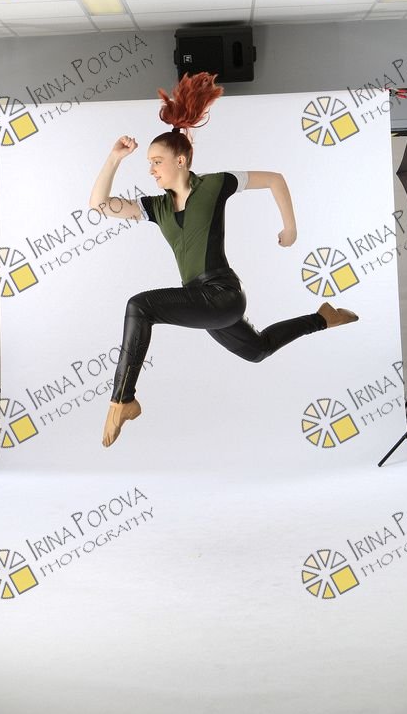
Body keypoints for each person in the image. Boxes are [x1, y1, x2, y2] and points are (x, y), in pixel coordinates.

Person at [89, 72, 358, 447]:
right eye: (149, 163)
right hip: (200, 301)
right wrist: (114, 157)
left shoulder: (214, 185)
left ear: (180, 160)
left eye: (157, 161)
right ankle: (323, 318)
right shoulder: (156, 207)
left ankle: (123, 400)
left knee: (139, 306)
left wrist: (291, 228)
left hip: (222, 294)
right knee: (258, 349)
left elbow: (275, 179)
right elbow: (100, 205)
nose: (151, 169)